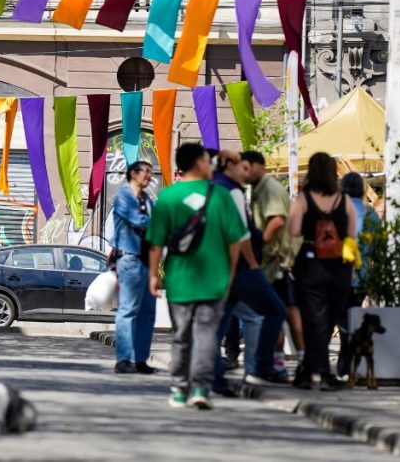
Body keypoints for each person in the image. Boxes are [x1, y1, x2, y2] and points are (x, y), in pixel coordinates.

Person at [147, 143, 248, 410]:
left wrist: (153, 275)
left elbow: (156, 242)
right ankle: (201, 388)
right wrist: (230, 273)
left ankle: (180, 388)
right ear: (198, 163)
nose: (210, 164)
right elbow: (235, 241)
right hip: (214, 279)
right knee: (207, 335)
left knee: (182, 336)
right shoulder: (221, 196)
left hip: (179, 280)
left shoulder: (168, 197)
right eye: (206, 159)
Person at [210, 150, 288, 390]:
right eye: (241, 167)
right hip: (241, 267)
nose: (244, 174)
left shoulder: (215, 187)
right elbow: (239, 233)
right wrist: (252, 262)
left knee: (220, 324)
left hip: (223, 267)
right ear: (228, 165)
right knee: (275, 310)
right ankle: (260, 367)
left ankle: (212, 373)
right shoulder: (232, 191)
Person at [288, 152, 358, 391]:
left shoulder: (303, 199)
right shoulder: (344, 200)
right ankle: (311, 372)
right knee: (328, 320)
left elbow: (293, 230)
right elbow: (351, 235)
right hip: (339, 266)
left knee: (314, 319)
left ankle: (316, 372)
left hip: (310, 264)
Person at [242, 151, 305, 376]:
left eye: (246, 167)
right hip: (273, 262)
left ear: (257, 165)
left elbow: (277, 220)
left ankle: (298, 361)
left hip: (279, 261)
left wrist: (260, 244)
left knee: (283, 311)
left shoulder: (269, 188)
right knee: (280, 312)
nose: (243, 173)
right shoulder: (260, 189)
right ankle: (283, 362)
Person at [106, 160, 157, 374]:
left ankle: (141, 359)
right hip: (129, 259)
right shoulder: (124, 196)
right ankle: (123, 359)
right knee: (128, 309)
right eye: (146, 172)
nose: (149, 176)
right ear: (133, 174)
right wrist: (162, 224)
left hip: (147, 260)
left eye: (151, 173)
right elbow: (140, 221)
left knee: (148, 311)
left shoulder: (147, 199)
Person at [336, 172, 380, 379]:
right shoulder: (370, 214)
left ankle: (335, 365)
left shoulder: (335, 211)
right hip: (361, 276)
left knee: (337, 319)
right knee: (351, 318)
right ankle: (346, 365)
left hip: (335, 274)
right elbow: (378, 246)